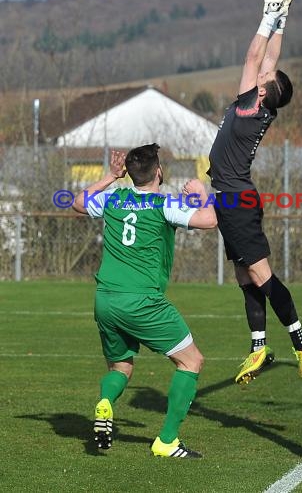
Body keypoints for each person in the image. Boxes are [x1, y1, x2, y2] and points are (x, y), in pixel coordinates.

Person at [73, 144, 217, 457]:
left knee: (121, 366)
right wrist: (202, 192)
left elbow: (78, 202)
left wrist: (111, 176)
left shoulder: (114, 197)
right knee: (191, 361)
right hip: (142, 302)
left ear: (130, 173)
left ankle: (105, 403)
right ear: (158, 172)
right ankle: (166, 441)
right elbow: (209, 220)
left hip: (106, 299)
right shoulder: (164, 204)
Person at [207, 0, 302, 385]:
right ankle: (258, 348)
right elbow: (270, 58)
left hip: (236, 201)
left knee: (262, 276)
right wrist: (282, 16)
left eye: (264, 76)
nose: (261, 70)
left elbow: (254, 55)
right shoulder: (260, 105)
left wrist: (267, 14)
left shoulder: (249, 106)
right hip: (232, 198)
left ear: (263, 89)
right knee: (245, 276)